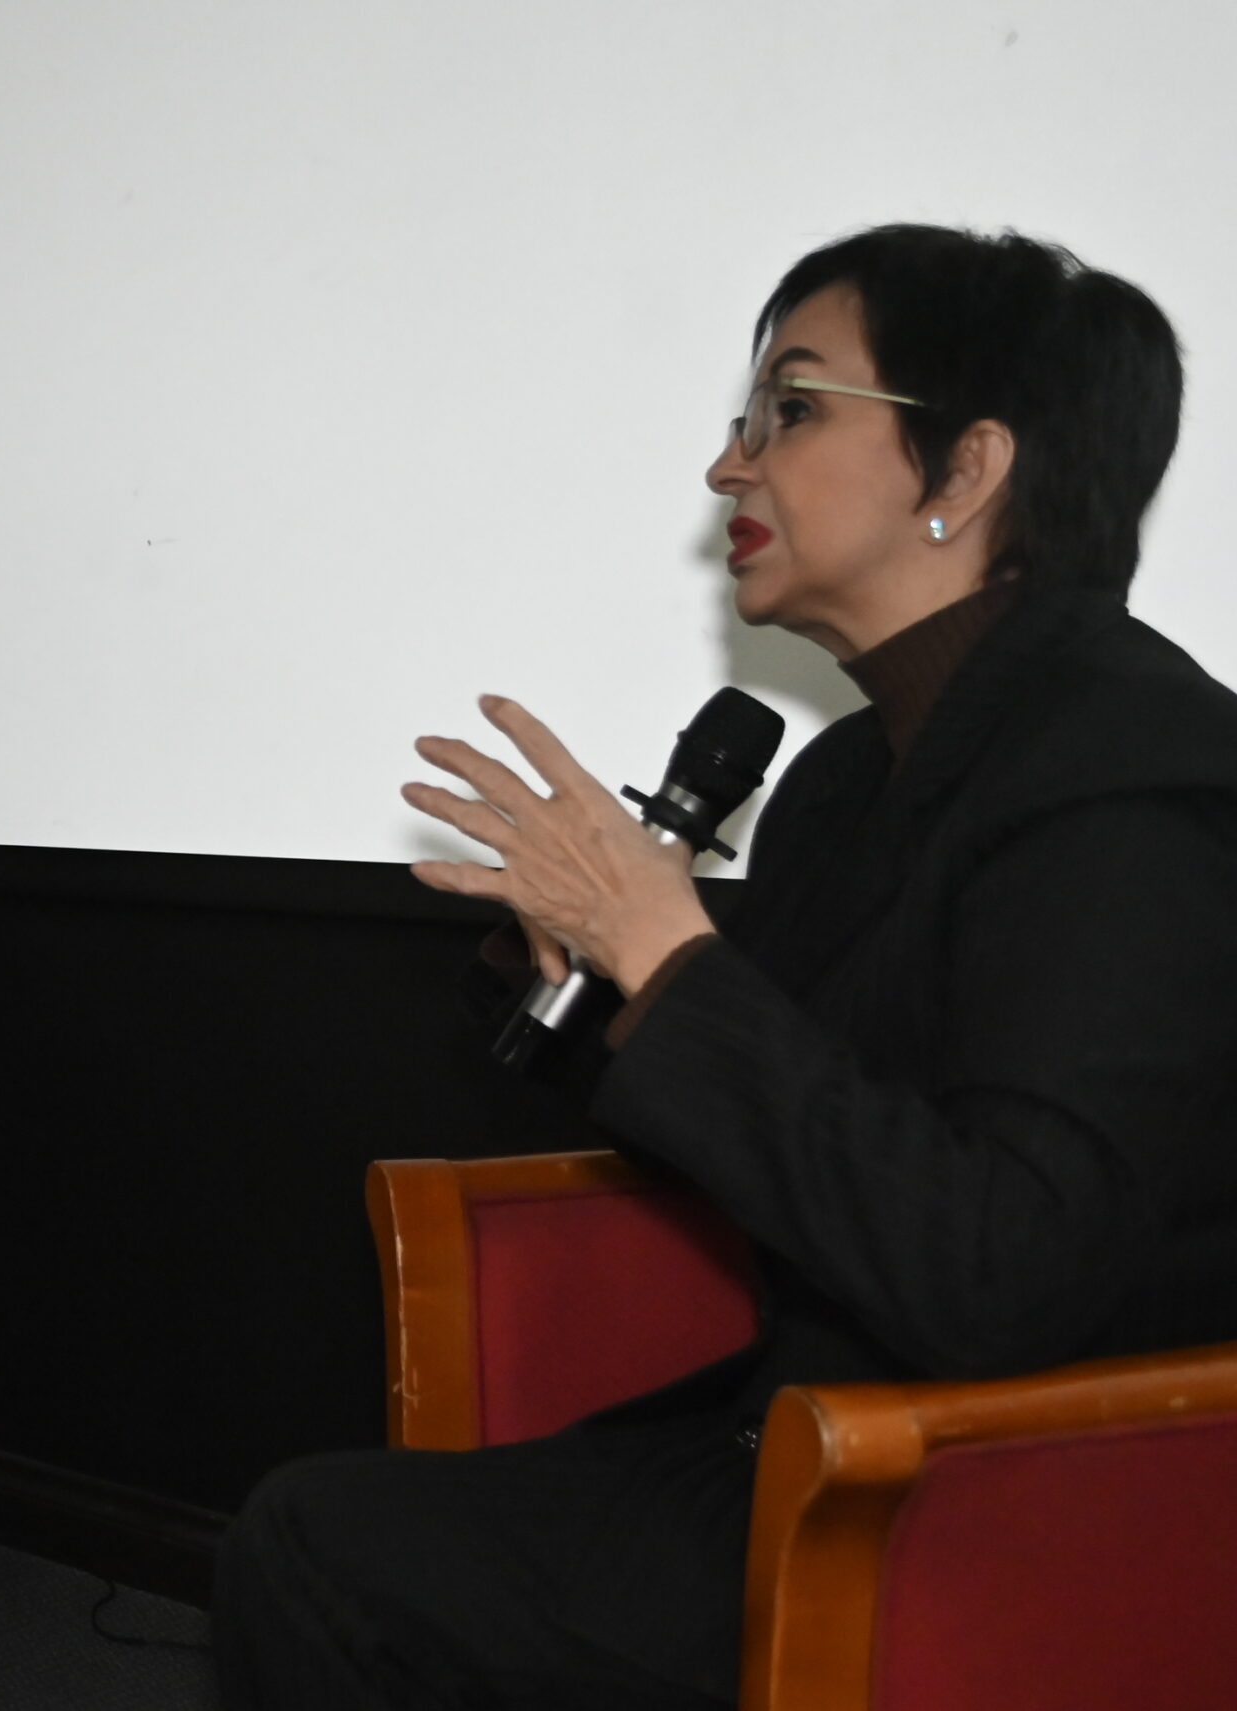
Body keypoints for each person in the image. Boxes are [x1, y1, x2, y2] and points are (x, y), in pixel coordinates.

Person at [217, 225, 1237, 1709]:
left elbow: (999, 1270)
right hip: (810, 1425)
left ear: (967, 471)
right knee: (346, 1522)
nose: (729, 467)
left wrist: (666, 948)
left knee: (315, 1548)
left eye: (792, 411)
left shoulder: (1133, 781)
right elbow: (809, 1116)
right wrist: (591, 971)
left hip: (1008, 1491)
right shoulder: (845, 777)